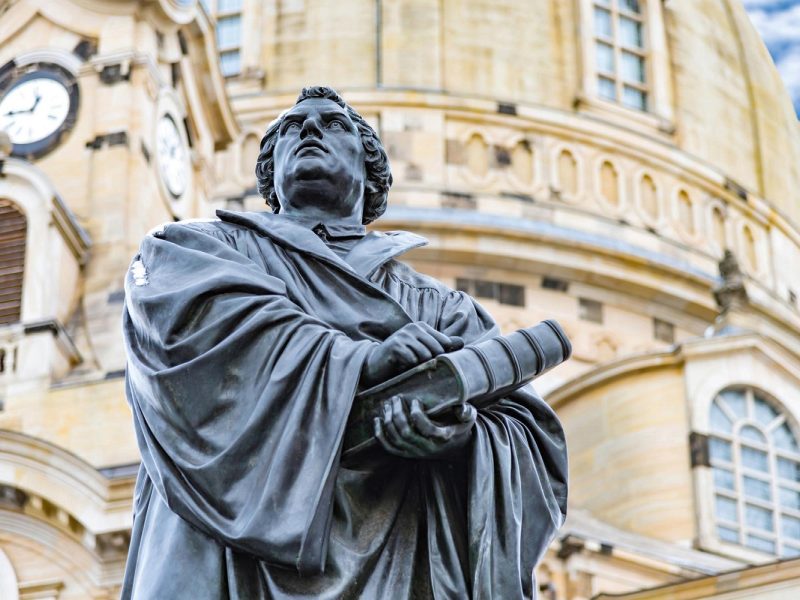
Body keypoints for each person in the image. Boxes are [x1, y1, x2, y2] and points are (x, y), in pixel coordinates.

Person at [121, 86, 567, 599]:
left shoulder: (441, 307)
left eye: (334, 125)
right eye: (291, 128)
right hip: (222, 555)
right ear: (270, 173)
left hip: (396, 554)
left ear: (371, 169)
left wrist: (459, 438)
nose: (309, 130)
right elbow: (191, 325)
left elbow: (529, 439)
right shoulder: (195, 250)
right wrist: (358, 361)